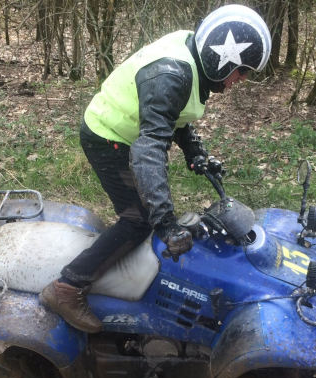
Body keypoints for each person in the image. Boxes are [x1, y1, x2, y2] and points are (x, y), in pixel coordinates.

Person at [39, 4, 272, 333]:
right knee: (138, 220)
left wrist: (195, 152)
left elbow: (172, 115)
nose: (241, 80)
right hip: (108, 136)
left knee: (147, 212)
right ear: (223, 59)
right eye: (242, 70)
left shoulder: (189, 59)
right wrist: (165, 224)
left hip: (127, 132)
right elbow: (149, 151)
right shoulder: (172, 74)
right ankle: (67, 287)